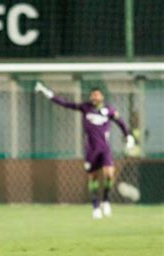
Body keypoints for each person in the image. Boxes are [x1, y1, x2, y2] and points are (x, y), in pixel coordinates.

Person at [35, 82, 135, 219]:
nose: (94, 97)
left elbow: (121, 123)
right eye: (92, 95)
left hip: (105, 149)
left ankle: (105, 201)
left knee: (109, 174)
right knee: (93, 177)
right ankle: (95, 206)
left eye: (96, 94)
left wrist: (128, 136)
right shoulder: (85, 107)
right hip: (91, 149)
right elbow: (64, 103)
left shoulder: (109, 110)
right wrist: (47, 93)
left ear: (102, 96)